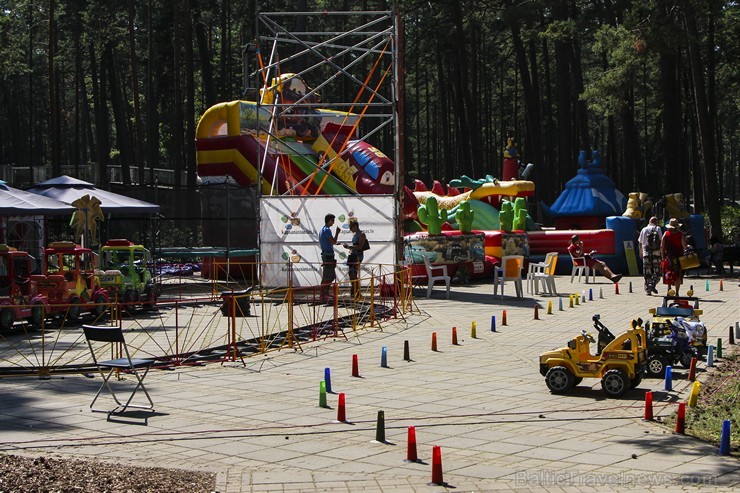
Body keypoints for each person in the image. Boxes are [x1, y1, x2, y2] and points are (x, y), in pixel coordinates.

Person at [661, 217, 688, 296]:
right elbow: (684, 246)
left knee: (669, 273)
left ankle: (669, 289)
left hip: (669, 257)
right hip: (679, 257)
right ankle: (677, 292)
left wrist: (662, 257)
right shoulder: (680, 234)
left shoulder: (666, 234)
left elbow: (662, 246)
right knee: (678, 274)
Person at [342, 218, 367, 299]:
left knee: (353, 273)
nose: (350, 229)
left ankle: (357, 291)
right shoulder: (355, 235)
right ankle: (354, 290)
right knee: (351, 274)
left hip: (358, 256)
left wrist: (349, 247)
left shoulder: (362, 234)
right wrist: (350, 248)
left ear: (355, 226)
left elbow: (360, 246)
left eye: (351, 227)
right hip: (353, 255)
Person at [638, 216, 662, 295]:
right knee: (658, 271)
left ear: (649, 222)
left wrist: (641, 252)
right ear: (656, 222)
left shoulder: (644, 229)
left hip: (646, 253)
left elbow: (640, 243)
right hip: (656, 253)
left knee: (647, 272)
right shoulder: (658, 228)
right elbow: (661, 241)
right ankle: (652, 283)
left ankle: (648, 289)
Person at [319, 213, 340, 300]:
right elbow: (333, 241)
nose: (333, 223)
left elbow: (329, 241)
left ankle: (325, 292)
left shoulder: (322, 229)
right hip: (328, 255)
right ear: (329, 220)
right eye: (333, 221)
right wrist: (337, 233)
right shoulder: (327, 230)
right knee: (329, 275)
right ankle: (323, 293)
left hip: (326, 253)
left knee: (327, 275)